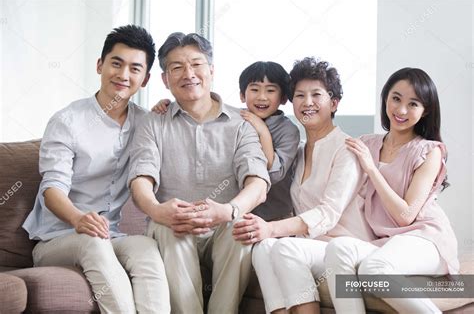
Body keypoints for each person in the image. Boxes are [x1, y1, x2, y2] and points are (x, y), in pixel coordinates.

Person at [22, 25, 170, 313]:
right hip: (57, 239)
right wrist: (78, 219)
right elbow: (52, 189)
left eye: (135, 68)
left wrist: (168, 107)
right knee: (93, 242)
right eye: (116, 63)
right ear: (100, 65)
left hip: (110, 235)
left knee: (146, 248)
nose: (123, 75)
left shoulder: (146, 123)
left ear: (146, 78)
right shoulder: (68, 121)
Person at [127, 32, 270, 314]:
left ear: (211, 71)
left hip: (223, 221)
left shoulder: (240, 124)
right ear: (165, 80)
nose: (188, 74)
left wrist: (228, 210)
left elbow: (258, 182)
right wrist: (157, 210)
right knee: (170, 226)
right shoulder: (153, 122)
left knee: (239, 226)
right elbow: (141, 178)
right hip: (175, 223)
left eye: (196, 64)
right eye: (177, 67)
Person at [234, 57, 375, 313]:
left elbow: (328, 213)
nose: (307, 102)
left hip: (344, 246)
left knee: (283, 245)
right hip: (310, 247)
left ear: (334, 103)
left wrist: (271, 228)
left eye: (316, 95)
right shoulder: (299, 152)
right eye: (300, 95)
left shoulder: (346, 149)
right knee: (263, 248)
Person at [325, 67, 459, 313]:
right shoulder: (367, 144)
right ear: (386, 97)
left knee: (372, 269)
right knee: (338, 248)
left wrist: (372, 169)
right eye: (396, 98)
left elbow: (405, 215)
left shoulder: (430, 151)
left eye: (413, 104)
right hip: (386, 241)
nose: (401, 110)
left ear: (425, 110)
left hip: (425, 237)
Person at [153, 61, 300, 221]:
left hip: (275, 215)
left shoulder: (288, 131)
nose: (262, 97)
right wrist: (167, 105)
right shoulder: (236, 119)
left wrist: (263, 132)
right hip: (238, 214)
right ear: (242, 95)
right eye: (254, 89)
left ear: (284, 98)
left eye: (270, 90)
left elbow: (275, 174)